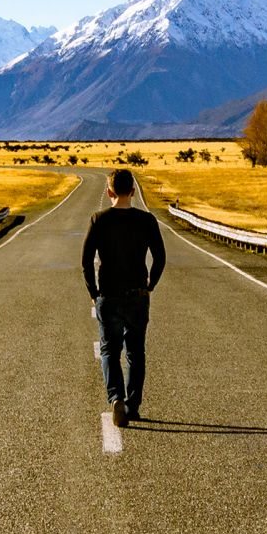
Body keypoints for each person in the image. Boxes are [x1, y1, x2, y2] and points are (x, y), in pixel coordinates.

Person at [82, 168, 166, 427]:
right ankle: (133, 405)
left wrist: (94, 293)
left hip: (109, 294)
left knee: (109, 349)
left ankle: (115, 396)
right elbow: (160, 257)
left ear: (109, 192)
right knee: (136, 352)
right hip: (137, 296)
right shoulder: (147, 220)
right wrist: (150, 284)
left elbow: (86, 261)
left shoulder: (99, 219)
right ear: (132, 191)